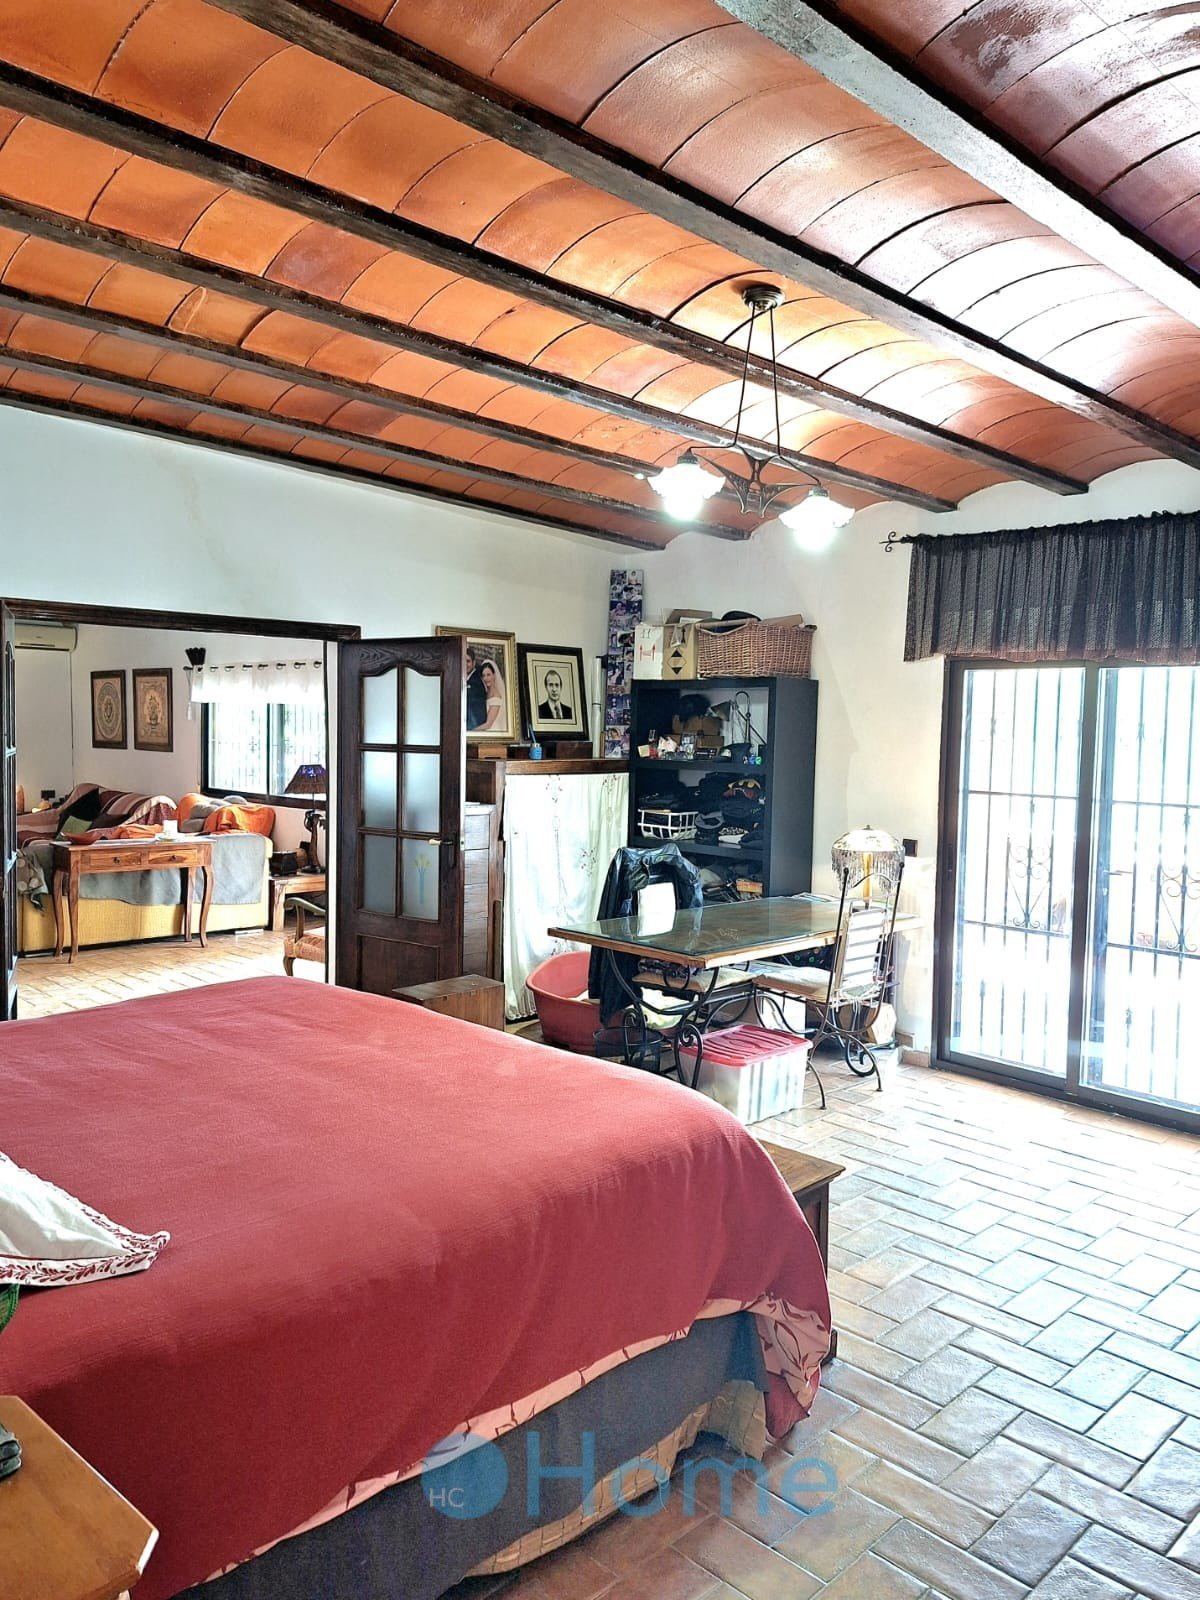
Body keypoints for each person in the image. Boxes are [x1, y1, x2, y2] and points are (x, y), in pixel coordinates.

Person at [477, 659, 507, 733]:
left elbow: (488, 724)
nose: (486, 678)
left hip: (492, 731)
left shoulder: (496, 696)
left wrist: (471, 731)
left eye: (488, 675)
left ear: (494, 675)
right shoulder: (486, 692)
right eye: (483, 675)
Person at [465, 644, 486, 731]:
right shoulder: (466, 677)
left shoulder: (476, 681)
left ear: (473, 663)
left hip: (473, 725)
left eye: (468, 661)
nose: (465, 664)